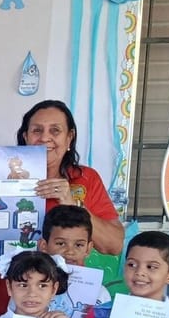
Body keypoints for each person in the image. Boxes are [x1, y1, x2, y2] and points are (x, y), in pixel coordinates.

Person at [17, 100, 124, 256]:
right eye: (37, 130)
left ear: (69, 138)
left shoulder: (87, 178)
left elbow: (113, 245)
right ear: (26, 137)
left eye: (55, 130)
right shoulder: (3, 176)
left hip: (66, 279)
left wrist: (73, 204)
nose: (45, 138)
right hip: (10, 279)